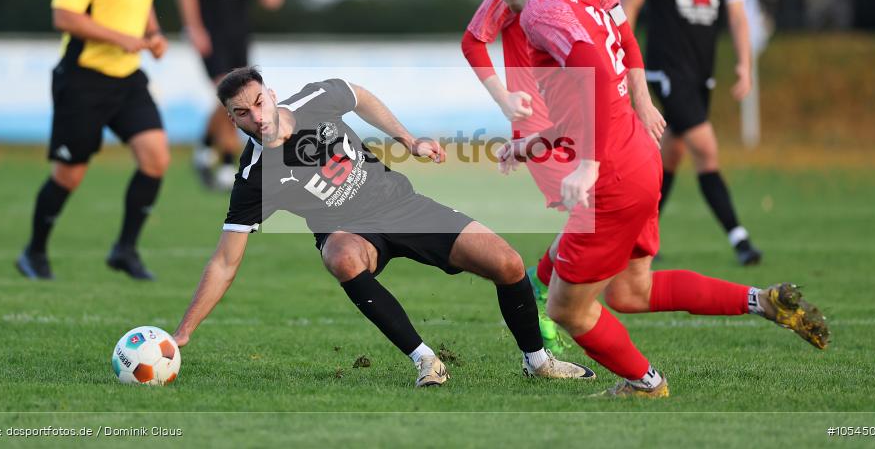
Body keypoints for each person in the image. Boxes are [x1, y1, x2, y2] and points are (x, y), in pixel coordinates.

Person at [479, 0, 829, 398]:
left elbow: (598, 77)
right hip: (640, 154)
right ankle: (762, 301)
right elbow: (591, 94)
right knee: (631, 292)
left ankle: (645, 383)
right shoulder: (575, 3)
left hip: (614, 175)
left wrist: (588, 166)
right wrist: (533, 143)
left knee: (568, 310)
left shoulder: (540, 12)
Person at [172, 67, 595, 387]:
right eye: (241, 113)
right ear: (231, 120)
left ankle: (538, 361)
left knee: (507, 263)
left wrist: (407, 139)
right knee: (340, 256)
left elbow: (358, 96)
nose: (256, 117)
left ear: (272, 94)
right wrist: (183, 333)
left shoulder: (315, 99)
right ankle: (425, 359)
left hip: (402, 205)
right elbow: (226, 262)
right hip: (348, 231)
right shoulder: (254, 177)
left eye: (259, 102)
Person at [461, 0, 666, 353]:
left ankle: (549, 292)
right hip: (546, 126)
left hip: (590, 125)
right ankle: (555, 304)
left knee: (594, 218)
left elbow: (623, 45)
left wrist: (641, 100)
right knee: (588, 212)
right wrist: (505, 98)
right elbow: (473, 42)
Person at [16, 0, 169, 281]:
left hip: (127, 79)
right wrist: (124, 38)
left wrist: (152, 33)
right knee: (70, 174)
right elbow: (64, 17)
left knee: (156, 158)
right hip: (83, 80)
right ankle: (33, 252)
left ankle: (125, 250)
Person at [622, 0, 761, 265]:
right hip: (665, 69)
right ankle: (740, 238)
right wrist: (621, 59)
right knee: (706, 148)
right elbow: (629, 8)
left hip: (704, 70)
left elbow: (736, 15)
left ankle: (641, 237)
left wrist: (744, 65)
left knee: (672, 156)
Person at [172, 0, 284, 191]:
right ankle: (224, 165)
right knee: (233, 94)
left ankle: (205, 145)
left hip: (239, 31)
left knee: (228, 96)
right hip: (210, 29)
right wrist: (193, 27)